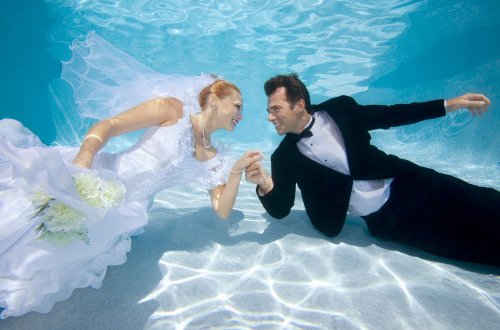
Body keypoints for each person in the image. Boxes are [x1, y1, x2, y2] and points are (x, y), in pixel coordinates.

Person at [0, 32, 259, 318]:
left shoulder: (214, 157)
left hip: (125, 208)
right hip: (97, 172)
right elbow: (109, 125)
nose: (241, 115)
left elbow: (222, 210)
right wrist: (84, 159)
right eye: (238, 106)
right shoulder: (172, 109)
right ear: (214, 98)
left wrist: (235, 174)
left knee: (54, 248)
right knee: (23, 215)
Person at [245, 73, 500, 267]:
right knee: (461, 245)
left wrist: (449, 104)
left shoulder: (341, 109)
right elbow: (281, 208)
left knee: (478, 200)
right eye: (269, 111)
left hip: (407, 181)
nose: (270, 117)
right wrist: (264, 184)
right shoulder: (283, 157)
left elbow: (390, 115)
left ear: (299, 105)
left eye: (275, 109)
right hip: (385, 219)